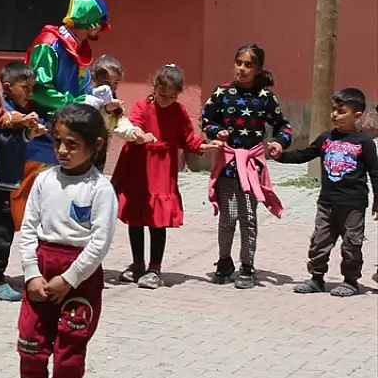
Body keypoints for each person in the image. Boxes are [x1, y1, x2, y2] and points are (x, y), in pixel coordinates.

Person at [13, 103, 116, 378]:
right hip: (41, 271)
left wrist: (69, 279)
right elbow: (28, 228)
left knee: (69, 347)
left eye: (72, 144)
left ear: (95, 145)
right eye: (58, 141)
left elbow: (99, 242)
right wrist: (31, 273)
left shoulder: (100, 189)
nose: (62, 150)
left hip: (79, 278)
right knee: (30, 341)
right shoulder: (44, 180)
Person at [112, 64, 216, 289]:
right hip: (138, 167)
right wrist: (139, 135)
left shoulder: (178, 112)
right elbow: (135, 126)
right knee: (136, 217)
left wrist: (203, 146)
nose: (166, 100)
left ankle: (154, 268)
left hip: (161, 170)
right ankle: (137, 264)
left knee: (157, 219)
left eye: (172, 97)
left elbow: (187, 138)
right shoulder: (142, 106)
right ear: (154, 87)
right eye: (162, 95)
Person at [14, 0, 109, 228]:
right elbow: (38, 89)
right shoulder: (49, 45)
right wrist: (77, 101)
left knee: (57, 205)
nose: (101, 30)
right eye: (99, 24)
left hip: (66, 134)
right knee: (25, 206)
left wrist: (94, 96)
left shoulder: (78, 47)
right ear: (90, 21)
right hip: (40, 136)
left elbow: (79, 89)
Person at [200, 44, 292, 289]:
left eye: (248, 65)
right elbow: (207, 119)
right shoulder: (222, 93)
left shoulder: (266, 98)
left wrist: (280, 143)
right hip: (228, 165)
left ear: (258, 69)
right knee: (228, 217)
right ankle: (224, 261)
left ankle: (247, 267)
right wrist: (216, 131)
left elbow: (283, 126)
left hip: (251, 166)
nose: (242, 69)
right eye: (239, 63)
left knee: (248, 217)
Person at [277, 88, 378, 297]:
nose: (335, 114)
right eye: (333, 110)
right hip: (326, 203)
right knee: (319, 242)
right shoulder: (326, 138)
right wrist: (281, 156)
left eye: (341, 111)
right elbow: (306, 154)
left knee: (352, 244)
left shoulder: (365, 143)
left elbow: (375, 174)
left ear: (357, 115)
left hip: (353, 205)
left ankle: (350, 281)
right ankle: (316, 279)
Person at [0, 62, 44, 302]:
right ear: (7, 86)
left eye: (32, 88)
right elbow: (3, 138)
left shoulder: (16, 110)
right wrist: (26, 130)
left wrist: (29, 132)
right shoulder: (2, 110)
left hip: (1, 180)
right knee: (2, 231)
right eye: (25, 88)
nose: (29, 93)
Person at [84, 55, 151, 171]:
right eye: (106, 82)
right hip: (81, 153)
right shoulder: (85, 98)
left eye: (115, 83)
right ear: (93, 78)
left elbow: (122, 124)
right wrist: (105, 111)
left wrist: (134, 132)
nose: (111, 87)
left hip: (99, 158)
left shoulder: (115, 105)